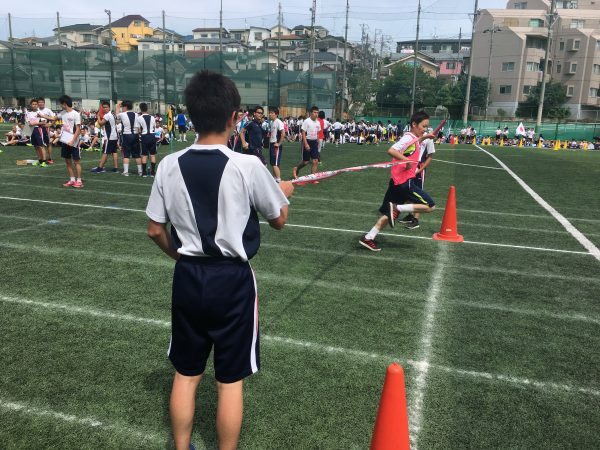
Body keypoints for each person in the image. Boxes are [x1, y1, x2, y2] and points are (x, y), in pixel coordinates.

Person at [145, 70, 293, 450]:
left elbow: (155, 230)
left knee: (186, 372)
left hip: (188, 276)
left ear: (191, 116)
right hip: (232, 281)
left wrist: (179, 256)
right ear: (234, 117)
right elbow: (278, 220)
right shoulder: (248, 165)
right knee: (229, 380)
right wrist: (283, 191)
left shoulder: (168, 164)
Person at [359, 111, 436, 251]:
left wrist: (425, 137)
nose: (425, 129)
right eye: (423, 126)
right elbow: (391, 150)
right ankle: (398, 208)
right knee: (430, 206)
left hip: (397, 181)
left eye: (426, 127)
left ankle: (369, 237)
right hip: (404, 182)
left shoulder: (413, 138)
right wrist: (407, 160)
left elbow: (413, 144)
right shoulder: (408, 138)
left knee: (389, 214)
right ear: (414, 124)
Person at [397, 128, 436, 229]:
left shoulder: (429, 138)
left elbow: (430, 156)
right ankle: (410, 215)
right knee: (408, 191)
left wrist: (421, 169)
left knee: (418, 193)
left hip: (419, 168)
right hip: (408, 167)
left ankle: (416, 220)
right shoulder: (411, 135)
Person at [58, 95, 83, 188]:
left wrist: (72, 140)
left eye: (61, 104)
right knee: (68, 161)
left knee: (76, 161)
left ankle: (79, 181)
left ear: (64, 104)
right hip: (65, 140)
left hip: (74, 141)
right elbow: (53, 118)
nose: (60, 105)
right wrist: (41, 116)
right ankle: (72, 179)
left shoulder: (75, 114)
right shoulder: (62, 113)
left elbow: (78, 129)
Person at [292, 106, 321, 179]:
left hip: (314, 142)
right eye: (314, 112)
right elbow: (303, 133)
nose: (316, 114)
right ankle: (297, 168)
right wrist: (306, 144)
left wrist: (317, 142)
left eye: (317, 113)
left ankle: (313, 178)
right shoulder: (307, 121)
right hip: (307, 141)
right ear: (311, 113)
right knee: (305, 162)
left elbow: (318, 133)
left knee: (315, 161)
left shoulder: (318, 122)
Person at [91, 100, 119, 173]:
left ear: (109, 108)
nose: (104, 109)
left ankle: (100, 168)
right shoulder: (112, 114)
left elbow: (100, 123)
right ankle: (115, 168)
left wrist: (98, 116)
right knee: (114, 152)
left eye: (106, 107)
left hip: (109, 137)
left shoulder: (107, 115)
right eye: (103, 107)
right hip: (115, 136)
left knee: (105, 152)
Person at [117, 100, 142, 176]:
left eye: (122, 107)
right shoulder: (136, 114)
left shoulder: (122, 114)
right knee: (137, 154)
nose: (122, 108)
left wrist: (118, 105)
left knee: (126, 154)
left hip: (126, 136)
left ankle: (126, 172)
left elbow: (116, 115)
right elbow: (138, 127)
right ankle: (140, 171)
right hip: (135, 135)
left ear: (125, 107)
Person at [136, 102, 158, 177]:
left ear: (140, 109)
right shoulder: (152, 117)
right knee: (153, 155)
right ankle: (152, 172)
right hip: (152, 136)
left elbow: (138, 130)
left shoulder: (139, 118)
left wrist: (141, 133)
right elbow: (154, 127)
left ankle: (144, 173)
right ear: (147, 108)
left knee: (144, 155)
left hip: (144, 136)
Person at [25, 98, 48, 166]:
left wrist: (34, 123)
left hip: (38, 129)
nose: (34, 105)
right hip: (31, 130)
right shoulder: (28, 113)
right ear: (31, 105)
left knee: (41, 146)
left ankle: (44, 161)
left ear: (37, 105)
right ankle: (39, 160)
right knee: (35, 146)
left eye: (36, 104)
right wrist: (28, 131)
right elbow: (28, 123)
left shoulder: (40, 113)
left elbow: (44, 122)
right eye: (33, 104)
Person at [268, 106, 285, 182]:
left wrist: (279, 143)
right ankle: (275, 178)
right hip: (272, 144)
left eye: (272, 113)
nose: (270, 114)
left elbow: (283, 133)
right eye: (269, 113)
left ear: (276, 114)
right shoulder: (272, 122)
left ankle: (278, 180)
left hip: (276, 145)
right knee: (273, 163)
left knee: (275, 163)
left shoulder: (279, 122)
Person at [37, 98, 56, 164]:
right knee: (39, 144)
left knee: (48, 143)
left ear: (44, 103)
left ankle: (50, 158)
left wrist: (50, 124)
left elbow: (54, 118)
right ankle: (41, 158)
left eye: (42, 102)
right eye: (39, 102)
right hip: (37, 128)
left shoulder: (48, 110)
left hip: (45, 129)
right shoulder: (36, 110)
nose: (40, 103)